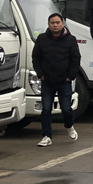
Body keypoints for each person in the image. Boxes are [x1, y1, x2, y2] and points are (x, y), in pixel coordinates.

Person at [32, 13, 80, 147]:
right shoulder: (42, 39)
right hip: (47, 80)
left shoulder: (70, 40)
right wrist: (40, 74)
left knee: (66, 108)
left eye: (58, 22)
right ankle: (46, 136)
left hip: (64, 80)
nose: (55, 25)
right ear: (48, 24)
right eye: (52, 23)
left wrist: (71, 76)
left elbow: (75, 59)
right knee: (46, 109)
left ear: (62, 24)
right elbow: (36, 57)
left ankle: (69, 126)